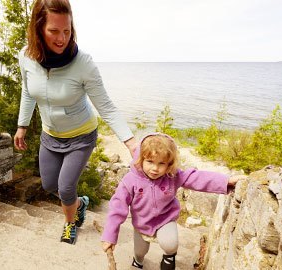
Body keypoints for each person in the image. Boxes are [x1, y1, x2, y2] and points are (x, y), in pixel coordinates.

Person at [13, 0, 137, 245]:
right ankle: (79, 204)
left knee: (66, 187)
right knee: (49, 185)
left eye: (67, 31)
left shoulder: (84, 63)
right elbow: (28, 92)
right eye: (54, 31)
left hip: (81, 136)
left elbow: (106, 105)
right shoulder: (26, 57)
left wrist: (131, 141)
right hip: (50, 136)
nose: (62, 39)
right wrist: (22, 125)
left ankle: (70, 223)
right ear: (38, 29)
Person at [101, 133, 245, 269]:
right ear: (140, 159)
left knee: (170, 244)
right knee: (140, 250)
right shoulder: (130, 181)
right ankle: (138, 261)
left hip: (165, 218)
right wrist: (110, 235)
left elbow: (197, 178)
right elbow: (117, 208)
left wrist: (226, 181)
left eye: (161, 163)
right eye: (150, 161)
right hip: (141, 223)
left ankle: (169, 257)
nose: (155, 169)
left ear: (169, 164)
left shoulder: (172, 176)